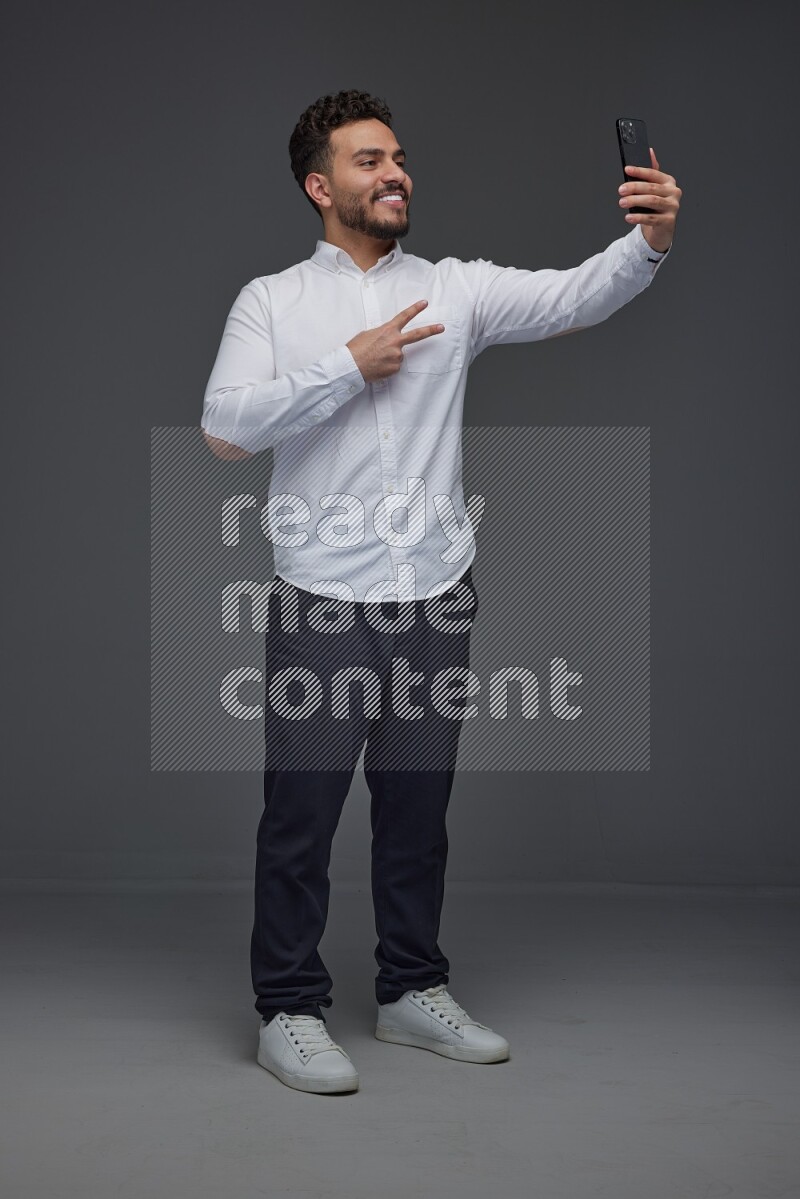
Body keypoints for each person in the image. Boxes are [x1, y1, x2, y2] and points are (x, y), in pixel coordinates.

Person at [201, 89, 681, 1094]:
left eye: (399, 158)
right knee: (302, 812)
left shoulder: (452, 289)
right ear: (318, 185)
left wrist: (644, 241)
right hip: (320, 599)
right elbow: (224, 426)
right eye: (368, 160)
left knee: (417, 809)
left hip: (433, 597)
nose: (393, 174)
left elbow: (571, 296)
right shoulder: (274, 302)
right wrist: (345, 366)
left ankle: (411, 989)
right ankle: (287, 1006)